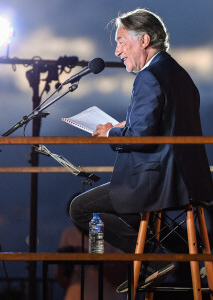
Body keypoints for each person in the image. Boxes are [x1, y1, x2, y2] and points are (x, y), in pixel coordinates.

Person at [69, 8, 213, 293]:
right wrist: (127, 124)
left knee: (80, 209)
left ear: (144, 40)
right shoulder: (179, 74)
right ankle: (187, 259)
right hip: (188, 179)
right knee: (129, 215)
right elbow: (167, 123)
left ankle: (152, 260)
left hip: (159, 180)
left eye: (122, 41)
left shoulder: (147, 78)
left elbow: (142, 139)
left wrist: (110, 132)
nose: (117, 49)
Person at [55, 193, 126, 300]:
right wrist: (66, 261)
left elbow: (120, 280)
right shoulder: (69, 234)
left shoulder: (113, 234)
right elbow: (61, 281)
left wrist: (90, 257)